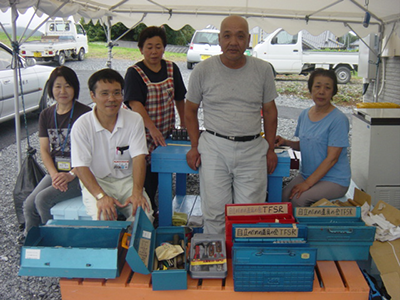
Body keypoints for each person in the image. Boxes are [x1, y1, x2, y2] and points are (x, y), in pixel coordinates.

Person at [185, 15, 279, 234]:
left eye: (240, 36)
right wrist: (193, 145)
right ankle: (215, 263)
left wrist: (271, 148)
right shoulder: (203, 70)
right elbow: (190, 110)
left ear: (248, 40)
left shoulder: (263, 70)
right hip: (214, 147)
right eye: (227, 36)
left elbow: (270, 111)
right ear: (219, 39)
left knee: (250, 214)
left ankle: (243, 264)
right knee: (215, 212)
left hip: (253, 149)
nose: (233, 42)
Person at [71, 68, 153, 222]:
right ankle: (111, 245)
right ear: (92, 96)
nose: (111, 98)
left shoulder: (134, 119)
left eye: (117, 93)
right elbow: (81, 167)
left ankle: (131, 245)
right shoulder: (81, 125)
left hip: (127, 180)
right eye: (104, 93)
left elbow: (139, 158)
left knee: (144, 215)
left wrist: (136, 192)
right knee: (103, 215)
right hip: (97, 181)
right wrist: (101, 196)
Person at [124, 26, 186, 216]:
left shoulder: (171, 68)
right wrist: (151, 128)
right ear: (141, 49)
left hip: (166, 131)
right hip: (141, 133)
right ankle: (146, 212)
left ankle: (162, 210)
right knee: (145, 176)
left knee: (164, 171)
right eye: (149, 47)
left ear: (164, 48)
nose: (154, 51)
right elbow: (135, 104)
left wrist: (184, 124)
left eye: (158, 46)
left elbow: (179, 98)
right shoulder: (134, 72)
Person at [23, 66, 91, 234]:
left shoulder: (86, 114)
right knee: (28, 205)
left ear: (75, 88)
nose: (63, 91)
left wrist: (70, 174)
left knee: (43, 200)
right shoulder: (46, 115)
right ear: (51, 89)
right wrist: (54, 175)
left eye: (68, 85)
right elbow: (45, 150)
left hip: (81, 173)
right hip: (56, 171)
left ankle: (53, 240)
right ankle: (30, 239)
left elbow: (91, 153)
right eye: (58, 86)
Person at [276, 68, 351, 207]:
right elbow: (306, 144)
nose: (321, 91)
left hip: (334, 180)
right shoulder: (305, 114)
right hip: (307, 174)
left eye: (327, 88)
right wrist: (286, 142)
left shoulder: (338, 119)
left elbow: (332, 158)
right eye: (317, 86)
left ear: (333, 91)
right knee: (282, 197)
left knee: (299, 199)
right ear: (310, 89)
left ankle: (299, 229)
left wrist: (307, 184)